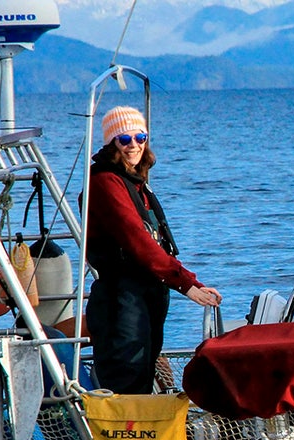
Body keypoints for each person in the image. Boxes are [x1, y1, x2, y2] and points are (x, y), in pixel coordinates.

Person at [85, 106, 222, 394]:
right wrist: (185, 285)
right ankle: (125, 437)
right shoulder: (104, 182)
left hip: (146, 294)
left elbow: (156, 246)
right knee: (127, 381)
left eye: (140, 137)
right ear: (112, 143)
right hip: (120, 300)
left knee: (144, 375)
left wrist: (193, 281)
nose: (133, 145)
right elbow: (137, 241)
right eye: (124, 139)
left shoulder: (136, 184)